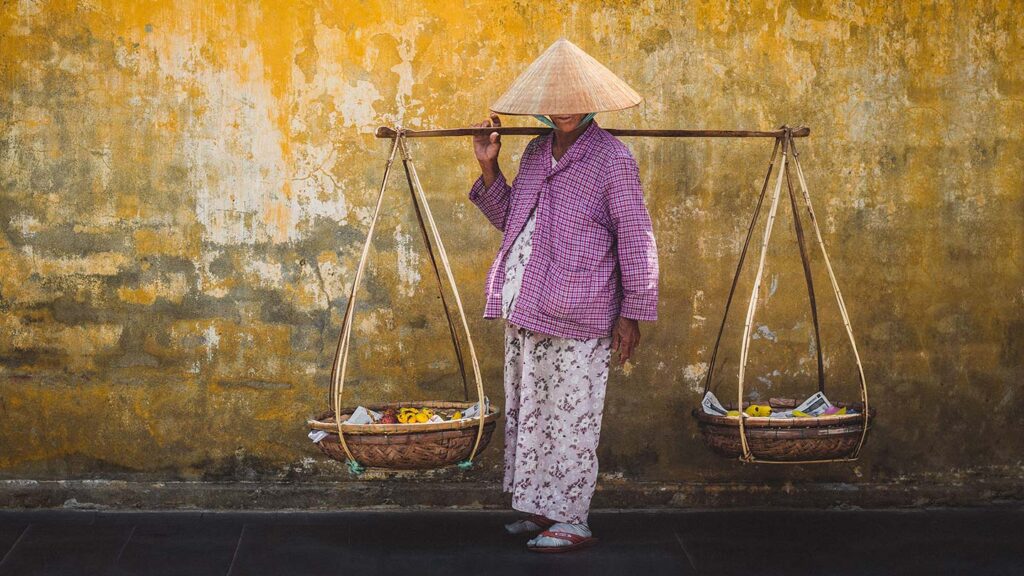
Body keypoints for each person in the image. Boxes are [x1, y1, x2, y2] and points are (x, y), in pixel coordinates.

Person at [467, 39, 659, 553]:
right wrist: (489, 167)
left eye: (575, 98)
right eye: (554, 99)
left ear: (593, 100)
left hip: (581, 309)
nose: (564, 108)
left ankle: (572, 518)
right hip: (527, 303)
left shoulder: (613, 159)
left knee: (572, 416)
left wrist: (632, 312)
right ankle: (539, 508)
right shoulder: (533, 152)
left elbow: (635, 236)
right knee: (531, 410)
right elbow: (514, 222)